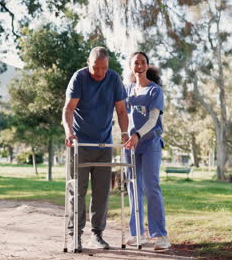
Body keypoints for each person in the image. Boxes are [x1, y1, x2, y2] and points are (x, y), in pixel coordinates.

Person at [62, 46, 129, 250]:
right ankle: (75, 234)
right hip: (80, 144)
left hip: (103, 144)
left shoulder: (114, 79)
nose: (99, 73)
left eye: (103, 68)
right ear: (87, 62)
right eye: (95, 68)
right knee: (77, 190)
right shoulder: (79, 78)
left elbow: (121, 110)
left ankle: (97, 234)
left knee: (101, 192)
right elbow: (68, 109)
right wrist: (69, 133)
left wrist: (125, 133)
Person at [124, 52, 171, 250]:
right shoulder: (126, 90)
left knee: (151, 187)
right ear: (131, 67)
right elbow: (122, 115)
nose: (139, 66)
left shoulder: (155, 91)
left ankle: (160, 236)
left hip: (149, 144)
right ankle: (137, 234)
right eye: (136, 63)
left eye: (143, 62)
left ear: (147, 66)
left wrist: (137, 135)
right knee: (134, 189)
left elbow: (152, 120)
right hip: (130, 146)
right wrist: (125, 135)